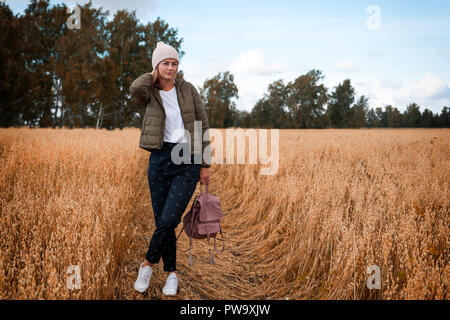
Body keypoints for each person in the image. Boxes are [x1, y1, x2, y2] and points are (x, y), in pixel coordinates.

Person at [129, 41, 211, 296]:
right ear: (157, 66)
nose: (171, 67)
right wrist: (153, 75)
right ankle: (172, 274)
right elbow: (135, 87)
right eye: (166, 63)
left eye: (174, 63)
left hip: (187, 158)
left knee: (168, 219)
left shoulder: (188, 90)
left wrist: (205, 163)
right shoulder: (149, 92)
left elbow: (202, 125)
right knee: (163, 222)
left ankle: (147, 264)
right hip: (160, 158)